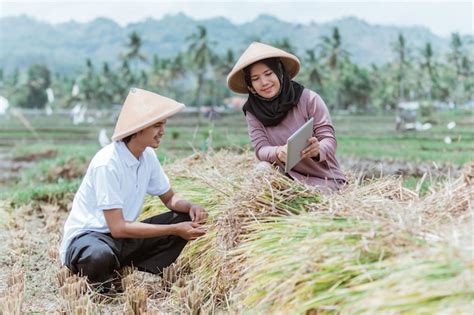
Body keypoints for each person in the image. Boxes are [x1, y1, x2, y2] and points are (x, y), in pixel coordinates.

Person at [59, 88, 207, 291]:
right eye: (157, 125)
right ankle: (100, 281)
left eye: (163, 124)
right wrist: (174, 230)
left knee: (184, 219)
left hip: (123, 239)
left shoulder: (148, 157)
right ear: (138, 129)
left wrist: (190, 206)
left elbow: (170, 198)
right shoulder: (108, 163)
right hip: (90, 239)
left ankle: (138, 271)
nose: (162, 131)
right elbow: (117, 227)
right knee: (99, 256)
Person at [226, 42, 346, 193]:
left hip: (322, 178)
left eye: (269, 74)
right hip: (285, 176)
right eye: (255, 78)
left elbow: (329, 140)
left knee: (309, 199)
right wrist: (278, 152)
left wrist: (317, 149)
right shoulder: (252, 111)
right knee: (262, 169)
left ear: (280, 73)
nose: (264, 82)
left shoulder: (309, 99)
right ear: (251, 87)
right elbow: (260, 149)